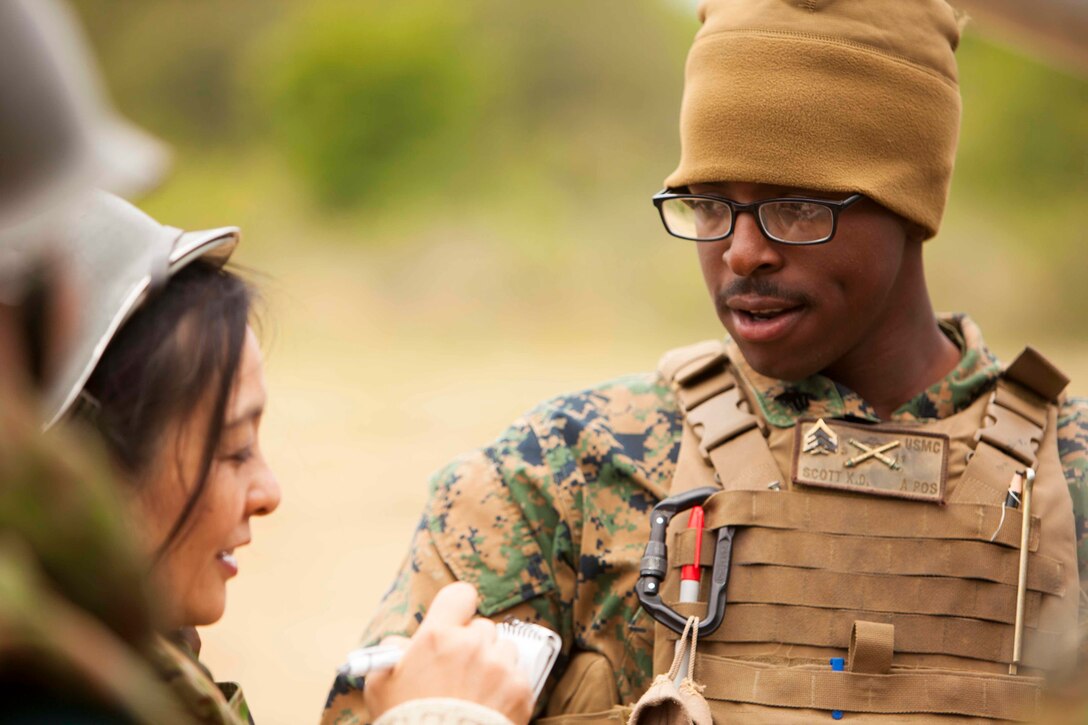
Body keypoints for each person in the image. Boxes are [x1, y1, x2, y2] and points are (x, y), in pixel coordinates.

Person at [323, 1, 1088, 723]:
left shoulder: (1070, 475)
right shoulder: (567, 477)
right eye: (709, 205)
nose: (744, 251)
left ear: (910, 203)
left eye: (798, 207)